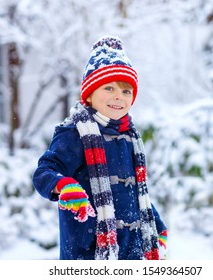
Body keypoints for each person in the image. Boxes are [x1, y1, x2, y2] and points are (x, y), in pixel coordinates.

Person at [33, 35, 168, 260]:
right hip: (90, 251)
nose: (119, 97)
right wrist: (63, 185)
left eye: (126, 91)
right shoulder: (76, 132)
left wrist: (157, 226)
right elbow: (44, 172)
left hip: (131, 252)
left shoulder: (129, 136)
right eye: (109, 88)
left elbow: (133, 193)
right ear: (90, 93)